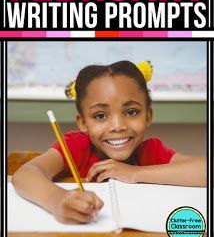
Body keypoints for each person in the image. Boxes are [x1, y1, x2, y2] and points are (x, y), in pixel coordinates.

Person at [12, 60, 206, 225]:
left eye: (131, 112)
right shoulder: (75, 146)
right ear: (83, 123)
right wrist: (56, 200)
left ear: (148, 116)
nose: (118, 126)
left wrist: (134, 173)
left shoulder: (151, 151)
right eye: (100, 115)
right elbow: (25, 174)